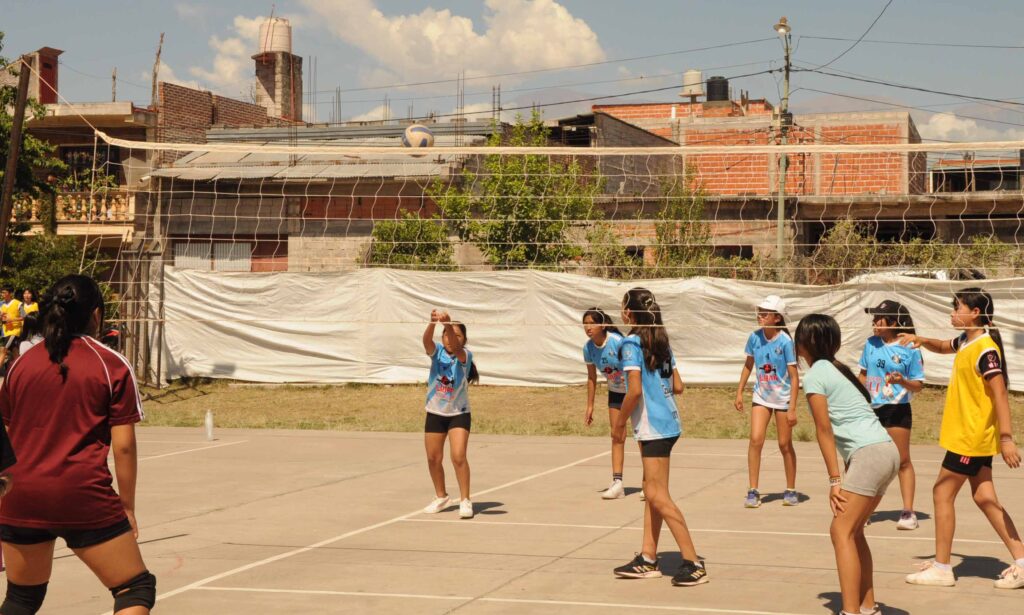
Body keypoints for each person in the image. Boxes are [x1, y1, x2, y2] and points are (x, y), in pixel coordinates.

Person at [0, 274, 155, 614]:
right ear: (96, 315)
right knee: (134, 588)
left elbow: (6, 435)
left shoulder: (20, 364)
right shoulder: (110, 364)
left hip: (20, 493)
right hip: (80, 493)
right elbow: (124, 446)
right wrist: (127, 507)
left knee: (21, 599)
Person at [902, 288, 1024, 589]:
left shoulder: (986, 350)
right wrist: (921, 340)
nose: (953, 312)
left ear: (975, 313)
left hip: (970, 438)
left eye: (958, 307)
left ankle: (942, 569)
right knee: (984, 498)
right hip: (970, 437)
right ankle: (1022, 562)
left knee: (942, 493)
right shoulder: (966, 341)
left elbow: (1000, 395)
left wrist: (1006, 438)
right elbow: (945, 346)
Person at [795, 313, 899, 615]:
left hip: (870, 454)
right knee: (854, 532)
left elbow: (824, 429)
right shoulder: (837, 369)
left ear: (804, 343)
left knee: (840, 531)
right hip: (885, 451)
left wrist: (834, 480)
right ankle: (867, 607)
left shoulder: (815, 374)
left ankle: (850, 610)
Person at [612, 288, 707, 587]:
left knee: (656, 495)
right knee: (652, 491)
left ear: (629, 312)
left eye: (622, 307)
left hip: (653, 426)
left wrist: (619, 424)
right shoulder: (661, 340)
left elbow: (634, 390)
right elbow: (678, 386)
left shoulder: (631, 343)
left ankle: (693, 562)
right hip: (669, 421)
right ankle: (648, 557)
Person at [858, 300, 925, 531]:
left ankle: (908, 513)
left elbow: (918, 385)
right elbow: (863, 375)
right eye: (874, 318)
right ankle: (864, 510)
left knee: (902, 461)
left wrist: (902, 381)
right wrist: (860, 397)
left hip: (897, 408)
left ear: (894, 322)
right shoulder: (871, 343)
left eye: (880, 318)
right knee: (869, 460)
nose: (875, 323)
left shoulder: (910, 346)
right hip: (871, 409)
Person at [734, 295, 800, 508]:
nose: (760, 316)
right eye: (759, 312)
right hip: (761, 396)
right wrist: (739, 392)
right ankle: (753, 490)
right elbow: (748, 365)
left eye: (765, 313)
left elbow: (794, 377)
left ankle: (790, 489)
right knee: (755, 439)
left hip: (782, 398)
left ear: (777, 318)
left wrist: (792, 407)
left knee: (784, 444)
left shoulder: (786, 342)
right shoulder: (754, 338)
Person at [421, 309, 480, 520]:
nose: (449, 338)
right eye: (446, 334)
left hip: (458, 413)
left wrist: (447, 324)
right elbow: (426, 341)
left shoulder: (465, 355)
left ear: (464, 339)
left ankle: (465, 500)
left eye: (456, 335)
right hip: (435, 412)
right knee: (433, 458)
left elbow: (456, 347)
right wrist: (432, 323)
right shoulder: (437, 351)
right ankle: (441, 497)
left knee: (458, 456)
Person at [582, 308, 629, 499]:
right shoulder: (588, 348)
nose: (588, 327)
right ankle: (618, 483)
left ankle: (648, 481)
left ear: (603, 325)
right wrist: (590, 406)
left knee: (642, 435)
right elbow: (592, 378)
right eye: (585, 323)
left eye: (592, 323)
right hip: (615, 392)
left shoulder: (617, 342)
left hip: (634, 392)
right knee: (616, 435)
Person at [0, 286, 23, 370]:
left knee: (3, 349)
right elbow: (2, 319)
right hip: (6, 331)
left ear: (10, 293)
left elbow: (24, 316)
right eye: (1, 292)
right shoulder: (1, 304)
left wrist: (12, 319)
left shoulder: (18, 303)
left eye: (4, 292)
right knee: (15, 352)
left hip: (15, 331)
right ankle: (20, 369)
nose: (2, 294)